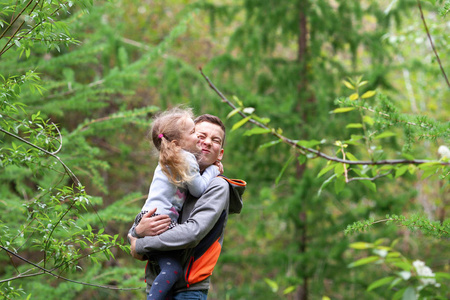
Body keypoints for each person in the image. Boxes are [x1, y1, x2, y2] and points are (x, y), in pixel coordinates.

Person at [128, 114, 246, 300]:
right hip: (158, 285)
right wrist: (137, 232)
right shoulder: (175, 177)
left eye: (215, 140)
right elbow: (139, 228)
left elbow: (192, 232)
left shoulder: (217, 186)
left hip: (189, 289)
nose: (206, 142)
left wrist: (140, 244)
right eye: (200, 135)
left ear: (220, 153)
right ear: (182, 142)